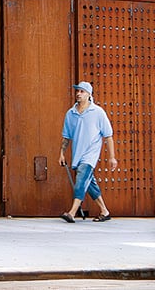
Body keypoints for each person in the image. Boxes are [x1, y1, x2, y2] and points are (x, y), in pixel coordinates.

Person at [59, 80, 118, 223]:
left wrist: (112, 157)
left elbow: (108, 136)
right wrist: (61, 153)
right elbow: (66, 136)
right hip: (77, 154)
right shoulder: (71, 113)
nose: (78, 94)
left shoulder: (98, 112)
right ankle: (104, 211)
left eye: (82, 91)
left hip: (90, 154)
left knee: (81, 179)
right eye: (77, 91)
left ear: (89, 95)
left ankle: (72, 213)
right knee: (89, 182)